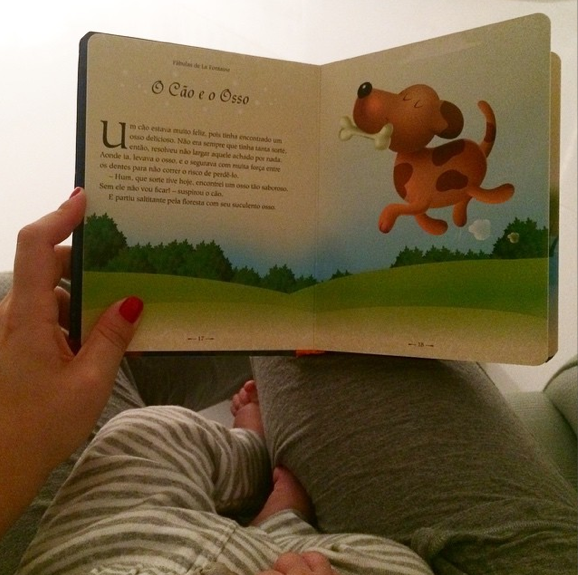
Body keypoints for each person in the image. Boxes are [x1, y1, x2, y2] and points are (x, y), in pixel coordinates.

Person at [0, 190, 432, 574]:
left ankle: (253, 452)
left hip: (108, 548)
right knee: (401, 565)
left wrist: (14, 438)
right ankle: (278, 521)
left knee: (144, 429)